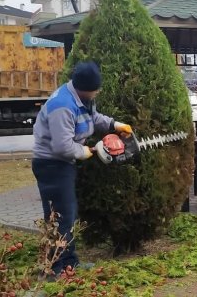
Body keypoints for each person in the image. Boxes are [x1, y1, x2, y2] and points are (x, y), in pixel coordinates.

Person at [32, 61, 132, 275]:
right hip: (52, 165)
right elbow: (62, 146)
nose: (97, 92)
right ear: (85, 88)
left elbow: (93, 119)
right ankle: (55, 267)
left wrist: (114, 125)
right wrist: (84, 151)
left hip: (63, 164)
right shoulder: (62, 106)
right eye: (95, 89)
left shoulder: (81, 99)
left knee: (67, 214)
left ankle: (69, 262)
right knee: (60, 217)